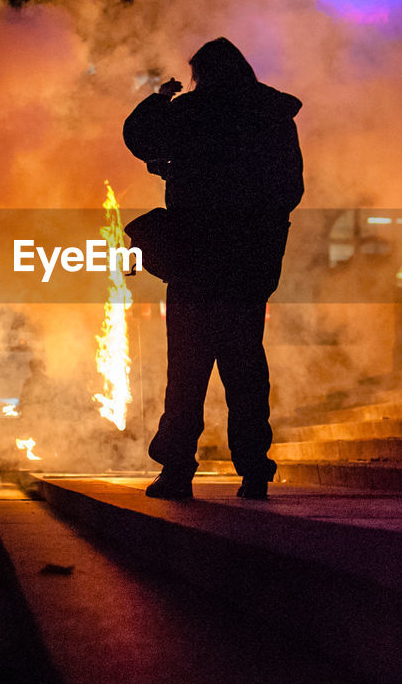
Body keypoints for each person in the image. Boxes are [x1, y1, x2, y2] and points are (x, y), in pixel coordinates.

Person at [124, 37, 303, 501]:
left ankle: (177, 470)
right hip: (249, 264)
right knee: (245, 367)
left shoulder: (191, 112)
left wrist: (162, 97)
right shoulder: (273, 116)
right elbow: (291, 188)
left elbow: (138, 135)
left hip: (195, 261)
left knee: (187, 368)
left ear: (202, 72)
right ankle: (255, 469)